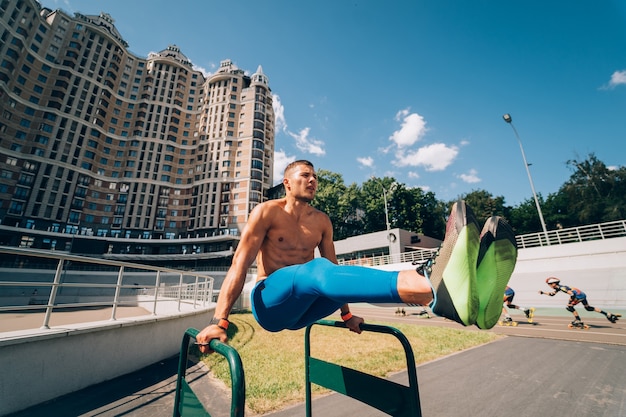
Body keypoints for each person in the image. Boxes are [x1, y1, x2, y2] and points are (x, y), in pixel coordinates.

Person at [196, 160, 518, 353]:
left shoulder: (322, 222)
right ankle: (430, 284)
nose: (312, 180)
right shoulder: (266, 212)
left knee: (331, 272)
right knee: (316, 270)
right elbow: (239, 264)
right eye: (304, 175)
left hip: (302, 310)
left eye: (314, 177)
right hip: (270, 302)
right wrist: (219, 320)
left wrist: (347, 316)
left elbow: (335, 274)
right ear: (286, 182)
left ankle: (457, 303)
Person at [539, 277, 620, 325]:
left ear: (553, 283)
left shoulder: (561, 288)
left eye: (549, 284)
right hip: (582, 294)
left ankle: (578, 320)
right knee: (588, 308)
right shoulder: (558, 287)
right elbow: (552, 294)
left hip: (578, 296)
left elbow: (571, 294)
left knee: (569, 307)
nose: (549, 286)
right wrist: (543, 293)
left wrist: (570, 301)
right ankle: (608, 314)